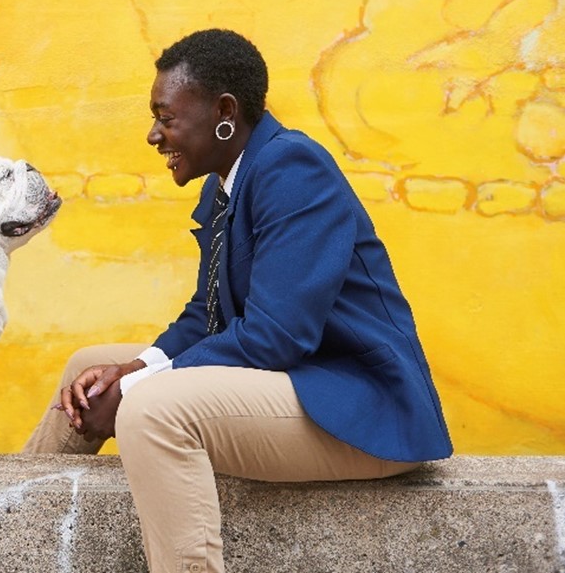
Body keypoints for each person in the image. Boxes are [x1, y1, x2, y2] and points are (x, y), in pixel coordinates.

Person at [23, 29, 453, 573]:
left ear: (224, 112)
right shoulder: (228, 180)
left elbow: (277, 336)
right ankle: (14, 539)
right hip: (297, 381)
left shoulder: (294, 170)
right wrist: (133, 368)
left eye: (166, 117)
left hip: (360, 406)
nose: (154, 135)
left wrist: (135, 387)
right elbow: (207, 315)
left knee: (152, 410)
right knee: (88, 370)